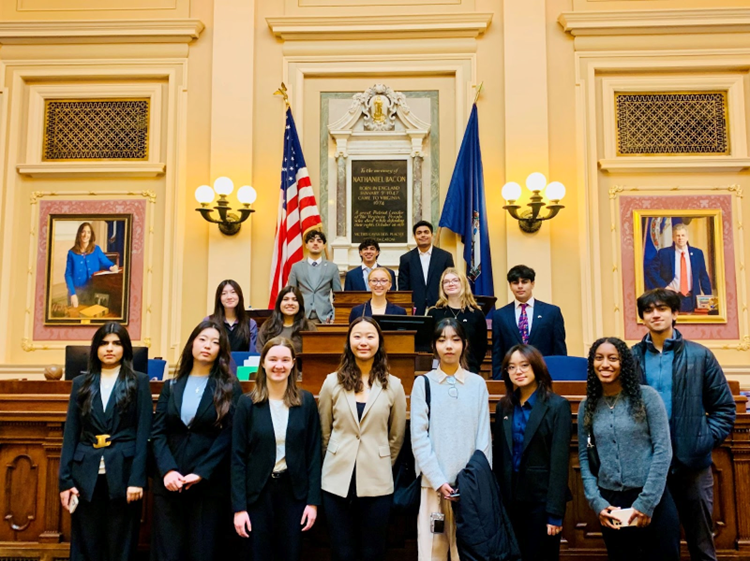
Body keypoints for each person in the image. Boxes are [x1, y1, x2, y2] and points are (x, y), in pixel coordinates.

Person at [632, 288, 736, 561]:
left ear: (675, 314)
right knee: (658, 545)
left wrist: (703, 439)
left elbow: (724, 408)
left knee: (701, 542)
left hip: (692, 463)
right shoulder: (630, 358)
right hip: (649, 464)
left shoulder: (700, 356)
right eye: (649, 310)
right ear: (642, 317)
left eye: (662, 308)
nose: (655, 314)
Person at [578, 337, 680, 561]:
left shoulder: (647, 397)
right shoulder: (587, 405)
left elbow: (663, 450)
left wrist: (646, 503)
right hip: (611, 504)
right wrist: (597, 502)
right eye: (599, 358)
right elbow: (584, 457)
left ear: (623, 363)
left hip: (652, 498)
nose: (605, 364)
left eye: (613, 358)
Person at [58, 322, 152, 561]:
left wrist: (137, 479)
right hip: (85, 474)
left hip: (123, 472)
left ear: (125, 349)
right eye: (104, 343)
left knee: (120, 544)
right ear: (95, 348)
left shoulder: (139, 381)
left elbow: (143, 433)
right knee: (86, 543)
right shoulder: (81, 383)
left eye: (116, 343)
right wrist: (64, 481)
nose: (109, 349)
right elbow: (71, 433)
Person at [150, 320, 243, 561]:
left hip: (208, 484)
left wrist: (202, 472)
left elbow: (229, 435)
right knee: (167, 552)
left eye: (215, 342)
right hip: (170, 483)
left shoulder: (230, 388)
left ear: (221, 351)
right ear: (192, 344)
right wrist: (168, 470)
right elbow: (158, 431)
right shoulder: (171, 386)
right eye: (202, 339)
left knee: (204, 550)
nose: (207, 346)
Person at [318, 317, 407, 561]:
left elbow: (397, 436)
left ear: (379, 341)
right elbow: (324, 432)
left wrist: (379, 461)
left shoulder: (394, 386)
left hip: (377, 480)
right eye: (357, 336)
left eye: (370, 336)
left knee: (373, 551)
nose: (364, 342)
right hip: (336, 480)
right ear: (349, 341)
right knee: (341, 551)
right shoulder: (331, 382)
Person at [231, 337, 321, 561]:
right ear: (263, 363)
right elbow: (237, 459)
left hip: (294, 493)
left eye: (284, 360)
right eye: (272, 359)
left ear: (293, 364)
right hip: (257, 495)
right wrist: (239, 508)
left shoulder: (306, 401)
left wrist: (312, 502)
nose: (278, 365)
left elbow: (313, 454)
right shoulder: (247, 403)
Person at [411, 318, 492, 560]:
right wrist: (438, 480)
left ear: (464, 345)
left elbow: (483, 440)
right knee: (432, 554)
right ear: (434, 345)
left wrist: (472, 484)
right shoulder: (423, 383)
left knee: (466, 554)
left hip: (468, 491)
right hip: (433, 487)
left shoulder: (477, 384)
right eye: (442, 340)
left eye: (455, 340)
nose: (449, 346)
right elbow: (419, 438)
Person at [494, 344, 571, 561]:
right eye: (511, 367)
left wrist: (555, 514)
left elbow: (559, 463)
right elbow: (500, 458)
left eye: (524, 365)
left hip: (541, 503)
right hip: (511, 501)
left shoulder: (557, 406)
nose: (518, 371)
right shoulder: (504, 407)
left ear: (536, 367)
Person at [492, 265, 567, 380]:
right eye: (515, 283)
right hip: (513, 378)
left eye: (524, 282)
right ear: (510, 286)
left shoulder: (551, 312)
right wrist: (498, 380)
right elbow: (497, 352)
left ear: (532, 284)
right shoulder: (500, 315)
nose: (520, 286)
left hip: (544, 376)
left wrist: (559, 377)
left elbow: (559, 350)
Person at [427, 268, 487, 374]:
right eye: (446, 282)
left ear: (463, 284)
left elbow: (481, 346)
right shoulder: (435, 313)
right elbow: (429, 343)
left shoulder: (476, 314)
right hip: (440, 369)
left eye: (455, 280)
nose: (451, 284)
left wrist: (473, 365)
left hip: (469, 369)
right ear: (442, 287)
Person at [646, 223, 712, 312]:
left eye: (683, 235)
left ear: (687, 237)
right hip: (670, 296)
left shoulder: (697, 253)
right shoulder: (664, 253)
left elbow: (703, 276)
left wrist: (709, 298)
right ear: (673, 238)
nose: (680, 238)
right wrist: (664, 286)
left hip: (691, 298)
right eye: (677, 236)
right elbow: (651, 270)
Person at [398, 220, 455, 315]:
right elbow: (403, 287)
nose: (423, 235)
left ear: (432, 235)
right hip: (415, 308)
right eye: (419, 233)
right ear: (415, 237)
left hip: (440, 305)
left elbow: (450, 282)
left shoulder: (445, 257)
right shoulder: (406, 259)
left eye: (426, 232)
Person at [288, 230, 342, 323]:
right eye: (311, 241)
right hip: (301, 318)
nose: (315, 243)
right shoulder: (296, 267)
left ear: (324, 245)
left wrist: (333, 315)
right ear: (306, 245)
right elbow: (291, 294)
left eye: (319, 241)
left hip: (325, 319)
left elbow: (338, 297)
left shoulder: (332, 268)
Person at [65, 222, 119, 308]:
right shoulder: (71, 253)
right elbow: (68, 275)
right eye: (83, 232)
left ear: (91, 235)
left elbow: (106, 262)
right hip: (77, 292)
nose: (86, 235)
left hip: (92, 290)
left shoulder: (96, 249)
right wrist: (72, 294)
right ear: (79, 234)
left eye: (89, 232)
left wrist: (112, 266)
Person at [256, 286, 317, 354]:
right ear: (279, 303)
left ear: (300, 304)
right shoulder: (268, 326)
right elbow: (260, 353)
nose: (290, 303)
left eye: (295, 300)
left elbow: (313, 355)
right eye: (286, 299)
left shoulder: (308, 327)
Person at [206, 279, 258, 352]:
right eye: (224, 293)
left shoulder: (250, 323)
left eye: (233, 292)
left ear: (239, 296)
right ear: (219, 298)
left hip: (242, 363)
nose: (229, 297)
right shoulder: (209, 321)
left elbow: (252, 353)